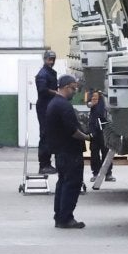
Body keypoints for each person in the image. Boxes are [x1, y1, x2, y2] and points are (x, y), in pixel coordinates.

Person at [44, 74, 91, 228]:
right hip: (70, 152)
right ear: (65, 87)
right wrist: (88, 137)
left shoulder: (53, 103)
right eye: (73, 88)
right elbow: (73, 131)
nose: (74, 92)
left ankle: (60, 216)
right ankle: (66, 218)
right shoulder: (64, 106)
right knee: (72, 184)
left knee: (63, 183)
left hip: (61, 151)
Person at [34, 49, 59, 174]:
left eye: (53, 59)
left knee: (50, 135)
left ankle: (48, 163)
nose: (51, 61)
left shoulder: (50, 73)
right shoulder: (42, 74)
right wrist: (57, 93)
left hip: (50, 106)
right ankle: (44, 165)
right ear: (45, 59)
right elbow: (42, 90)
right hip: (44, 107)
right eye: (50, 59)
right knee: (45, 135)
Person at [86, 88, 114, 182]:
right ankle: (95, 172)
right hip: (94, 125)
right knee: (94, 151)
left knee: (106, 150)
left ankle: (108, 173)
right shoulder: (91, 92)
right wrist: (92, 103)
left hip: (105, 125)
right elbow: (88, 104)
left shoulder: (106, 92)